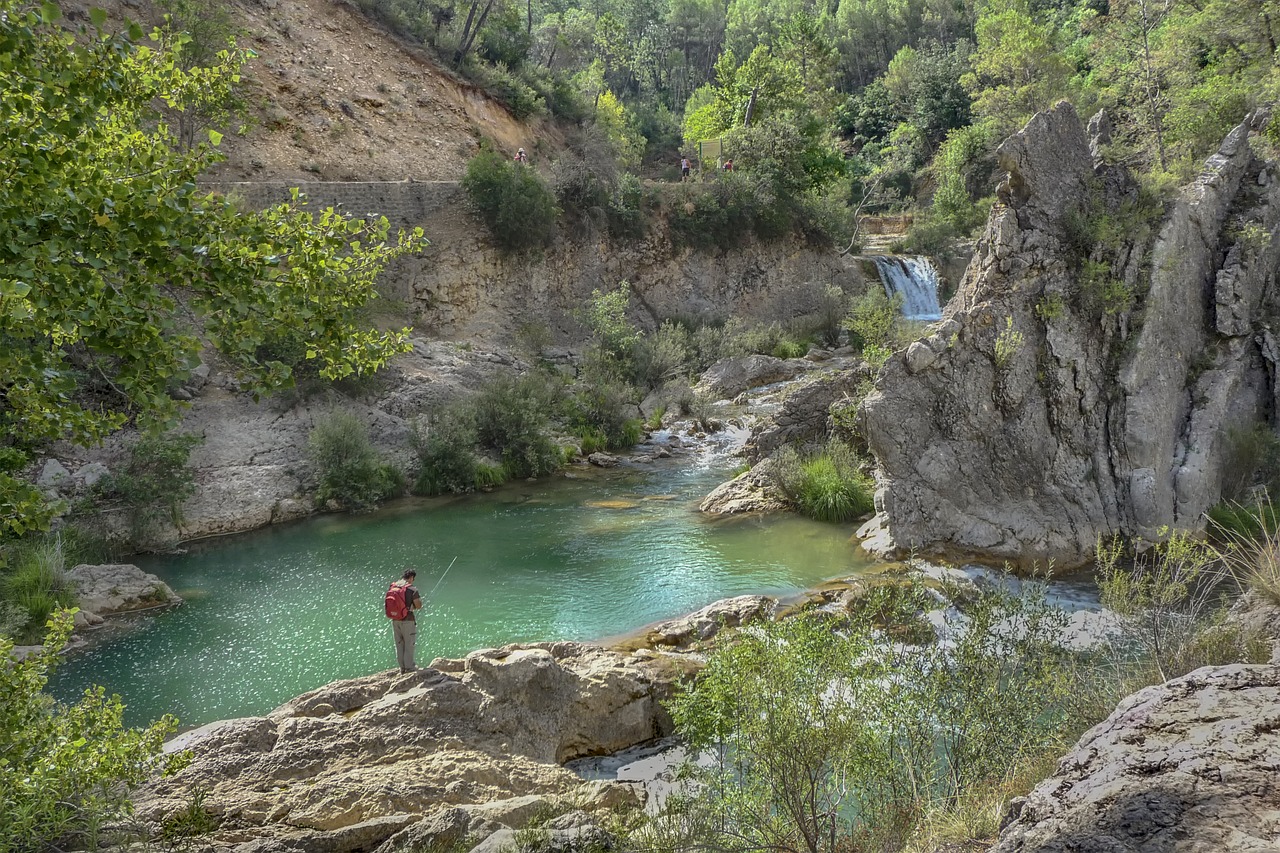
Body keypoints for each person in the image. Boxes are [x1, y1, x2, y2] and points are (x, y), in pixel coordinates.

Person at [389, 569, 423, 673]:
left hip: (395, 619)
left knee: (399, 644)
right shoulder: (412, 589)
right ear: (411, 577)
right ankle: (409, 667)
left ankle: (402, 667)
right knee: (409, 643)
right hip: (408, 620)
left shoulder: (393, 587)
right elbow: (418, 605)